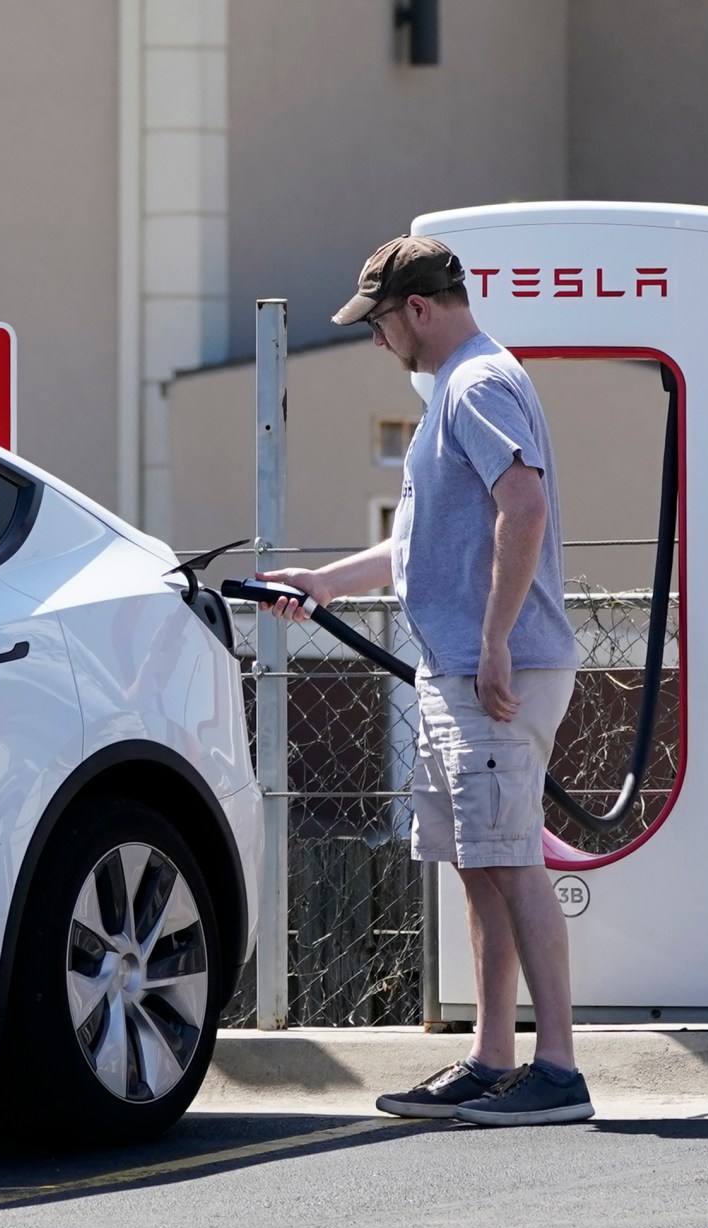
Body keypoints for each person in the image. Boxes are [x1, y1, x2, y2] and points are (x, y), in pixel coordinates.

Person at [253, 235, 592, 1126]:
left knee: (512, 861)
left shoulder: (476, 385)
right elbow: (424, 541)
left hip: (493, 671)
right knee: (482, 864)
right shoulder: (461, 388)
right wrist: (325, 584)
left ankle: (557, 1071)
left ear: (417, 310)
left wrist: (490, 642)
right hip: (464, 668)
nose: (374, 342)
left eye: (377, 323)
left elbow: (526, 505)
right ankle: (491, 1059)